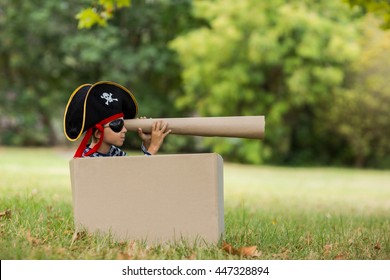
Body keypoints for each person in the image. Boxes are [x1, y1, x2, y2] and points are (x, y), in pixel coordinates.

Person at [63, 81, 170, 157]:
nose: (125, 130)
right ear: (98, 134)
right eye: (118, 125)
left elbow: (135, 175)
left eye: (123, 124)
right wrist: (153, 147)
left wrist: (147, 143)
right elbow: (136, 177)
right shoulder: (88, 159)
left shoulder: (114, 153)